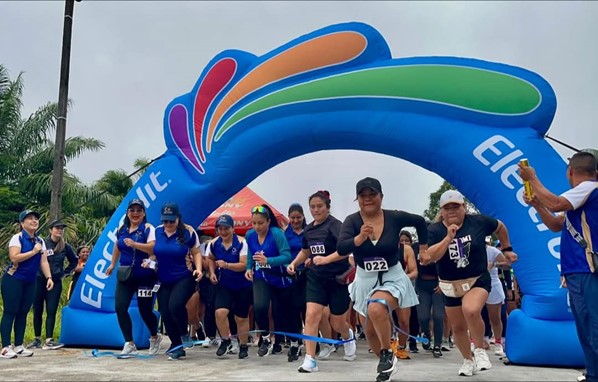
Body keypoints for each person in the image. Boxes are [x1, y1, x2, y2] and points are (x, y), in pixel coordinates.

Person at [337, 177, 428, 382]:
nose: (368, 199)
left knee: (376, 307)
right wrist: (358, 239)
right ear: (357, 199)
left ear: (381, 196)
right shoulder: (352, 221)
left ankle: (388, 351)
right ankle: (386, 364)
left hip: (392, 277)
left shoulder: (394, 217)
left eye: (372, 195)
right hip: (364, 279)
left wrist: (424, 249)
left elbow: (421, 222)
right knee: (369, 333)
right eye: (363, 196)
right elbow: (341, 247)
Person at [518, 151, 598, 382]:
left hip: (586, 270)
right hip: (577, 271)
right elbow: (555, 223)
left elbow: (555, 203)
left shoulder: (588, 188)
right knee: (585, 326)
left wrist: (532, 177)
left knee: (592, 326)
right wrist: (537, 204)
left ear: (570, 171)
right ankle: (593, 373)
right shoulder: (582, 201)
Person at [421, 189, 518, 377]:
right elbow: (430, 256)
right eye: (447, 208)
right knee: (457, 327)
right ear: (441, 211)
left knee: (471, 310)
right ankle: (467, 359)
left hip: (476, 278)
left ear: (464, 207)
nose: (451, 211)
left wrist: (507, 248)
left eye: (455, 207)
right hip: (450, 284)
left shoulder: (478, 222)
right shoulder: (434, 230)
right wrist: (448, 237)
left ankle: (480, 349)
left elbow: (500, 226)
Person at [288, 190, 357, 373]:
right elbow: (306, 250)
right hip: (316, 278)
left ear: (327, 207)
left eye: (319, 206)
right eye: (312, 207)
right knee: (311, 316)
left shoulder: (336, 226)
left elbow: (344, 250)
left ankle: (347, 336)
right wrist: (294, 263)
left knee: (337, 322)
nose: (316, 210)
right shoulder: (309, 229)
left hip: (337, 280)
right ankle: (310, 359)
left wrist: (326, 259)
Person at [105, 198, 161, 357]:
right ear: (127, 213)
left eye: (139, 210)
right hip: (125, 275)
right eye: (132, 210)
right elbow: (117, 246)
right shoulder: (122, 229)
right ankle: (129, 343)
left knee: (145, 310)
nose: (135, 213)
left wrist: (135, 244)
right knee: (120, 307)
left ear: (144, 213)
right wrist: (112, 264)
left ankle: (154, 337)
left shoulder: (148, 228)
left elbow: (153, 247)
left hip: (145, 276)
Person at [146, 202, 202, 360]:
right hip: (163, 279)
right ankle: (177, 345)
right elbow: (154, 252)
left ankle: (184, 334)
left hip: (184, 276)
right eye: (165, 221)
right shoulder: (157, 232)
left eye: (172, 220)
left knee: (175, 305)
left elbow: (196, 252)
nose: (168, 224)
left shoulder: (188, 232)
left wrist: (198, 268)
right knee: (164, 311)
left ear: (178, 218)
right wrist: (150, 261)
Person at [1, 210, 54, 359]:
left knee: (23, 312)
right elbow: (14, 257)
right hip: (13, 279)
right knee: (10, 311)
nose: (34, 221)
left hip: (30, 281)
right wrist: (33, 252)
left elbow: (43, 261)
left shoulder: (40, 241)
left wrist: (49, 277)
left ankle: (18, 345)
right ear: (22, 223)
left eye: (36, 219)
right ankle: (5, 347)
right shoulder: (16, 238)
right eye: (29, 219)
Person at [245, 204, 294, 357]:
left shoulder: (277, 233)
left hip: (280, 277)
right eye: (254, 223)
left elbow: (287, 256)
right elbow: (250, 252)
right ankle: (265, 338)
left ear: (268, 221)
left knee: (283, 313)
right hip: (261, 276)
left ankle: (289, 342)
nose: (257, 227)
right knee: (260, 306)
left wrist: (268, 260)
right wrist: (248, 267)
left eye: (260, 223)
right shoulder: (250, 235)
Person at [206, 214, 253, 360]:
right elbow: (210, 259)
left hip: (242, 285)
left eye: (226, 228)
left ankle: (243, 345)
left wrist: (227, 265)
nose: (223, 231)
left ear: (233, 228)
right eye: (220, 228)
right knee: (219, 313)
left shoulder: (241, 243)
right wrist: (212, 272)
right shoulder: (214, 244)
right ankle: (226, 340)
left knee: (241, 318)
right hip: (224, 284)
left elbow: (244, 265)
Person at [28, 219, 78, 350]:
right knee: (37, 309)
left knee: (51, 310)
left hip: (55, 281)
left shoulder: (65, 246)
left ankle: (49, 339)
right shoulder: (42, 243)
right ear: (51, 230)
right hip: (39, 280)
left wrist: (65, 273)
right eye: (57, 228)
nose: (60, 230)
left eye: (61, 228)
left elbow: (74, 261)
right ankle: (37, 339)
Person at [284, 203, 307, 362]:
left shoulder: (309, 231)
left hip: (307, 274)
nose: (296, 220)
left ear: (303, 217)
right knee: (291, 310)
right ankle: (295, 343)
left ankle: (312, 339)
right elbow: (282, 253)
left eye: (298, 217)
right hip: (290, 275)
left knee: (307, 309)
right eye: (293, 218)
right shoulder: (285, 234)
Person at [390, 230, 418, 360]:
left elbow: (414, 272)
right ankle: (386, 346)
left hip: (402, 286)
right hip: (384, 286)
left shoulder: (406, 249)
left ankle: (401, 347)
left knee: (404, 321)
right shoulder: (377, 247)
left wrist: (401, 279)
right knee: (384, 317)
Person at [484, 237, 509, 357]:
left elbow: (507, 264)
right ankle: (476, 342)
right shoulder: (469, 248)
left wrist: (494, 264)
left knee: (495, 317)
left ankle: (498, 342)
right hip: (474, 284)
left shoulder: (493, 251)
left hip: (493, 284)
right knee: (474, 314)